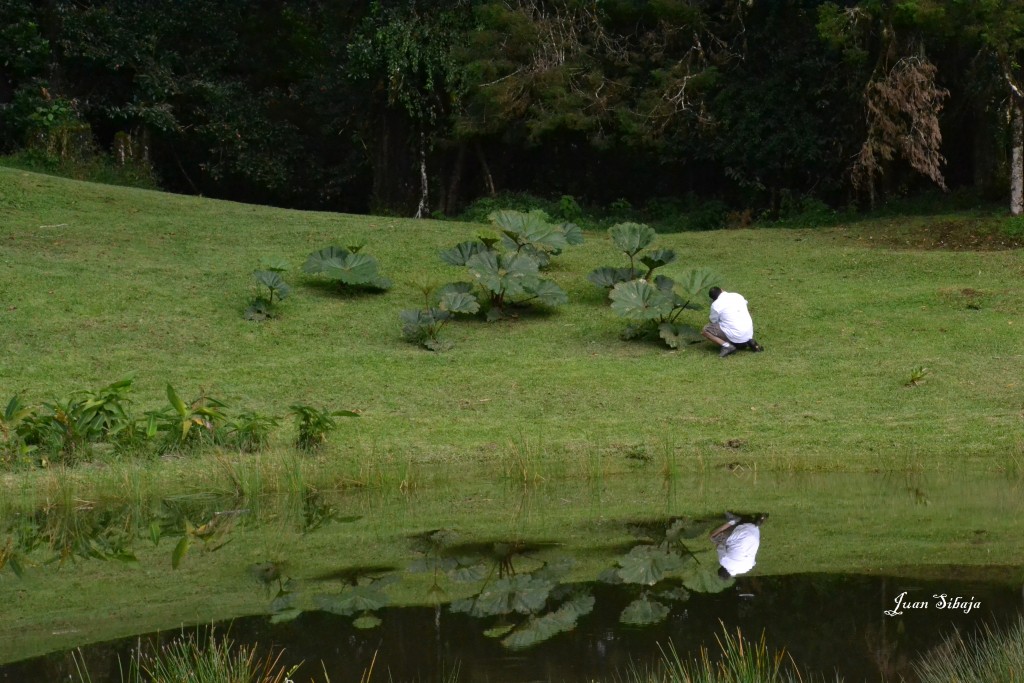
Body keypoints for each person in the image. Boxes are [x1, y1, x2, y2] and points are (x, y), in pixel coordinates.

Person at [702, 287, 763, 358]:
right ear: (722, 290)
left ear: (713, 299)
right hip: (748, 331)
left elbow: (713, 321)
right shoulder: (737, 295)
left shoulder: (715, 305)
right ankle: (748, 341)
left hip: (735, 333)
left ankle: (727, 346)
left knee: (706, 330)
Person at [709, 512, 767, 578]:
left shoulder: (745, 569)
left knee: (737, 541)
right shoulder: (724, 562)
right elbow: (719, 545)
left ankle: (753, 523)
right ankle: (733, 521)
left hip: (755, 533)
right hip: (743, 533)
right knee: (713, 538)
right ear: (722, 567)